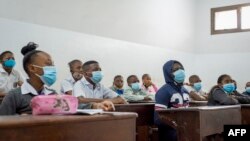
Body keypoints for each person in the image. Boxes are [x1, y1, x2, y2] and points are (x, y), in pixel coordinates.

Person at [0, 43, 114, 115]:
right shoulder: (14, 96)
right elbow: (4, 125)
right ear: (32, 68)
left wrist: (95, 105)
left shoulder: (52, 94)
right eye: (49, 64)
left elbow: (72, 105)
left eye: (53, 64)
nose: (53, 68)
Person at [154, 60, 190, 141]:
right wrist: (176, 124)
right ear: (168, 73)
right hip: (170, 132)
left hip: (185, 129)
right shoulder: (163, 91)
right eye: (175, 70)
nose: (180, 71)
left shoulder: (185, 91)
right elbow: (158, 119)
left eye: (181, 68)